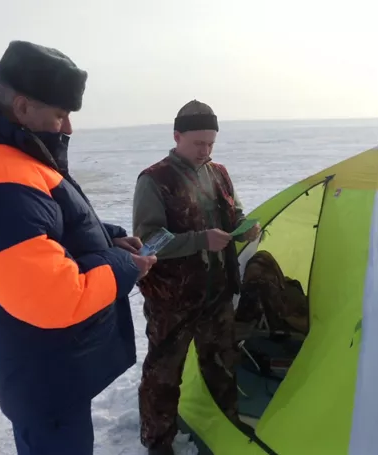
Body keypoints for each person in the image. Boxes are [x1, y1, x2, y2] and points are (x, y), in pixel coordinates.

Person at [0, 40, 157, 455]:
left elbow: (51, 227)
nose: (68, 127)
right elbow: (54, 297)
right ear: (22, 107)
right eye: (60, 114)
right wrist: (124, 264)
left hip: (55, 368)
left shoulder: (16, 159)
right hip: (44, 377)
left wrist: (107, 237)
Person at [133, 100, 260, 454]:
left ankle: (225, 424)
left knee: (222, 364)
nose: (205, 151)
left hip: (217, 291)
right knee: (164, 374)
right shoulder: (154, 180)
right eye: (198, 143)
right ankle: (158, 441)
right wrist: (200, 240)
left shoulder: (218, 173)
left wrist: (244, 227)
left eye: (210, 143)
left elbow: (233, 213)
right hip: (172, 299)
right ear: (177, 137)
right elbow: (148, 242)